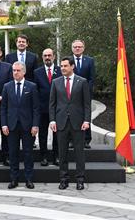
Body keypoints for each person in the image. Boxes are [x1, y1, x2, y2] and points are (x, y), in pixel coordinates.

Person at [49, 56, 91, 190]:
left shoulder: (82, 81)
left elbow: (86, 104)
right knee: (62, 153)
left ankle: (80, 180)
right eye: (61, 66)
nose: (63, 68)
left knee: (79, 153)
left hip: (78, 123)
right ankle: (63, 179)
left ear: (72, 66)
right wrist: (52, 120)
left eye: (65, 66)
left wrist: (86, 120)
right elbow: (52, 104)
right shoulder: (56, 82)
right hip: (61, 123)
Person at [1, 61, 40, 189]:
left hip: (27, 126)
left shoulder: (32, 86)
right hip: (12, 125)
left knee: (28, 153)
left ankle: (29, 179)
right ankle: (14, 179)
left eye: (18, 70)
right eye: (13, 70)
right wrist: (4, 124)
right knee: (13, 153)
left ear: (24, 72)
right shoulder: (7, 86)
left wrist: (35, 125)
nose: (15, 73)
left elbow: (35, 108)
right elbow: (4, 108)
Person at [33, 48, 61, 166]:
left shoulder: (60, 71)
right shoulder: (37, 72)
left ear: (54, 57)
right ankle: (43, 156)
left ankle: (57, 156)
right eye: (45, 56)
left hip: (58, 109)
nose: (47, 57)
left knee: (57, 134)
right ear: (42, 57)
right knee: (43, 134)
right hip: (43, 108)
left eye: (49, 55)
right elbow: (35, 91)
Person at [71, 39, 95, 149]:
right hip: (70, 94)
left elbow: (91, 78)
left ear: (83, 48)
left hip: (85, 94)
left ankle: (86, 140)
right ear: (72, 48)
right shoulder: (68, 60)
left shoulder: (90, 61)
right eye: (75, 47)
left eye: (79, 47)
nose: (77, 48)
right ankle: (71, 140)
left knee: (86, 115)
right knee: (71, 116)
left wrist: (86, 91)